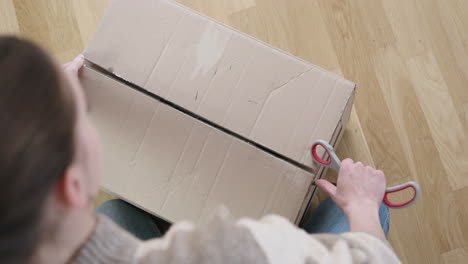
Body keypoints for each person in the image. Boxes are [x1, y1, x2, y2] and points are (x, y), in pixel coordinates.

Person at [0, 36, 400, 264]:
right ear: (71, 185)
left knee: (120, 212)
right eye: (82, 116)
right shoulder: (222, 252)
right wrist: (362, 207)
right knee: (372, 208)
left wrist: (41, 105)